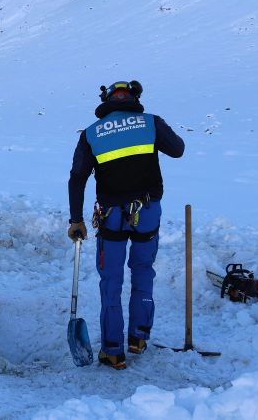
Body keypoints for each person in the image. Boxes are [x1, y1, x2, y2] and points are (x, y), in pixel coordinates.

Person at [67, 81, 185, 370]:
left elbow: (77, 178)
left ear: (107, 101)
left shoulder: (92, 134)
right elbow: (178, 149)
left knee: (111, 280)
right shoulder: (150, 123)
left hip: (112, 216)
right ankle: (138, 338)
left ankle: (113, 351)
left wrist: (76, 219)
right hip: (146, 211)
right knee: (143, 270)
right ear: (135, 97)